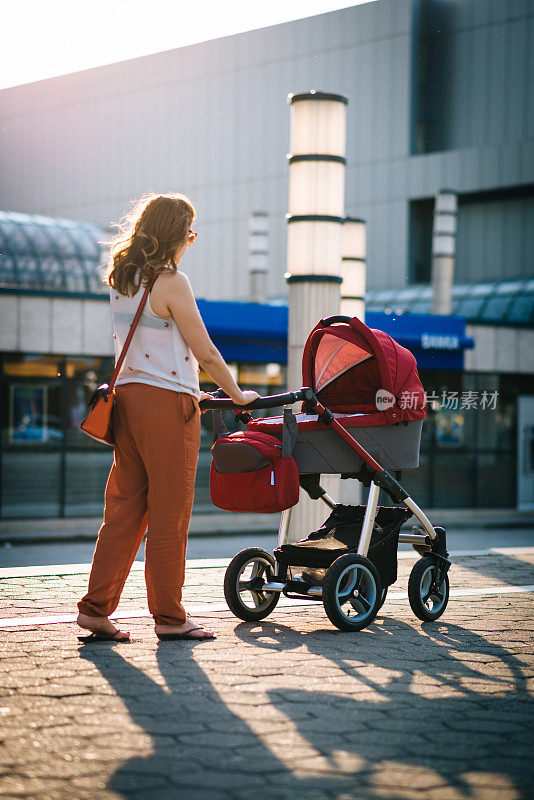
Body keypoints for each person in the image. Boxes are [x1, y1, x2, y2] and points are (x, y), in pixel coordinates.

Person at [77, 193, 259, 642]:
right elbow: (207, 352)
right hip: (168, 407)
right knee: (169, 515)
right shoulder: (172, 281)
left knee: (122, 511)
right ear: (177, 235)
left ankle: (95, 609)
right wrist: (238, 395)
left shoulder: (122, 277)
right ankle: (171, 617)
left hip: (127, 403)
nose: (191, 243)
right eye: (190, 234)